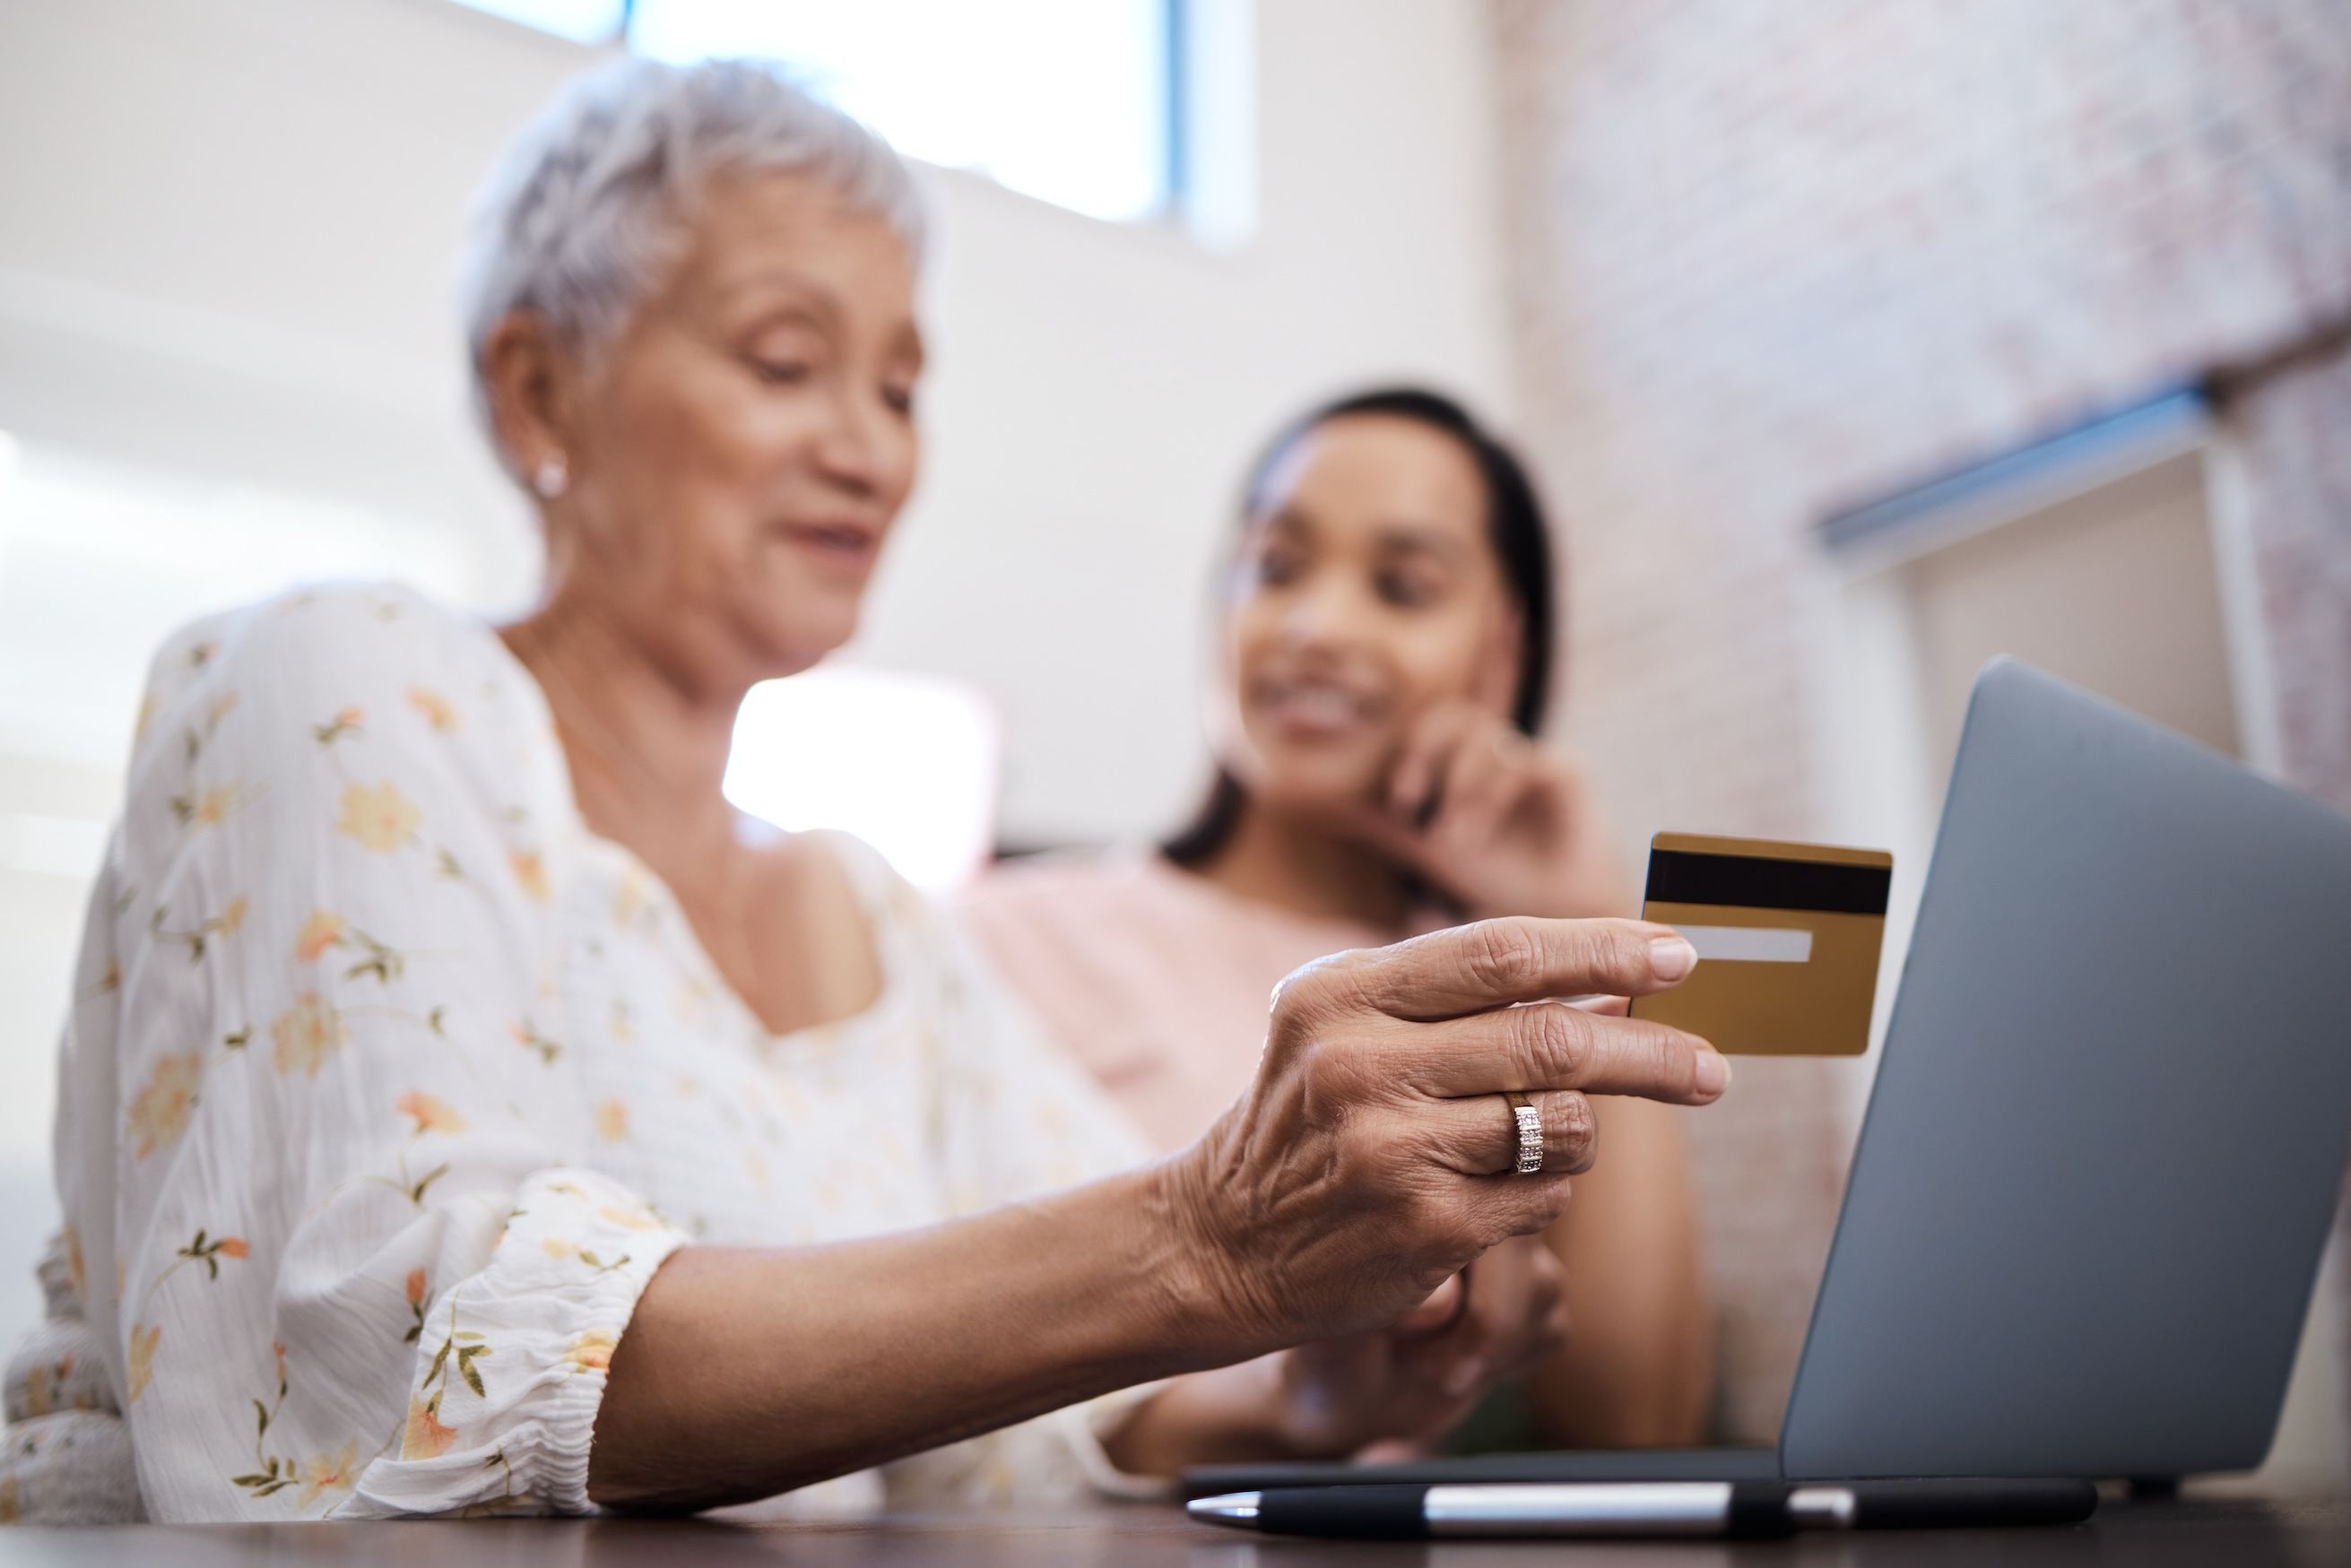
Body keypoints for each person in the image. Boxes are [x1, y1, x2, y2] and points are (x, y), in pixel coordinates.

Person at [0, 59, 1729, 1524]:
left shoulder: (872, 915)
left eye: (900, 385)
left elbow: (1059, 1413)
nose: (870, 443)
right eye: (782, 360)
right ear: (539, 385)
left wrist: (1308, 1393)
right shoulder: (344, 679)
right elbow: (397, 1357)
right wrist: (1208, 1243)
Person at [966, 389, 1714, 1448]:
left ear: (1502, 649)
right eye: (1276, 569)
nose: (1317, 628)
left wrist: (1580, 925)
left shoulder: (1508, 997)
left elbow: (1636, 1427)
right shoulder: (1001, 939)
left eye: (1402, 587)